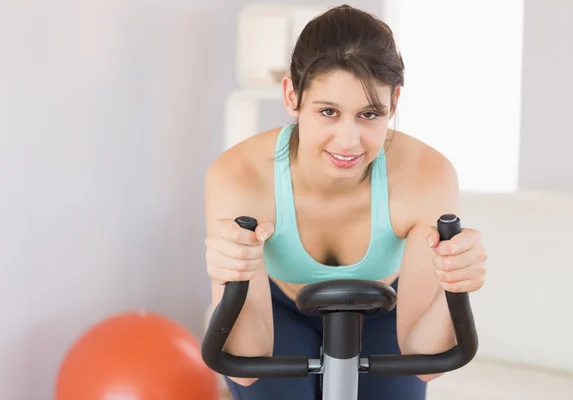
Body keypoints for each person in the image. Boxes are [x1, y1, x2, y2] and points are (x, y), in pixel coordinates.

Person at [204, 4, 488, 400]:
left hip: (383, 312)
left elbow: (424, 361)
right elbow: (247, 369)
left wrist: (454, 286)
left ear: (395, 101)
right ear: (292, 95)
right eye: (328, 112)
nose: (349, 141)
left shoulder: (427, 175)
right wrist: (228, 275)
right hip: (278, 311)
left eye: (370, 114)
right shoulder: (240, 175)